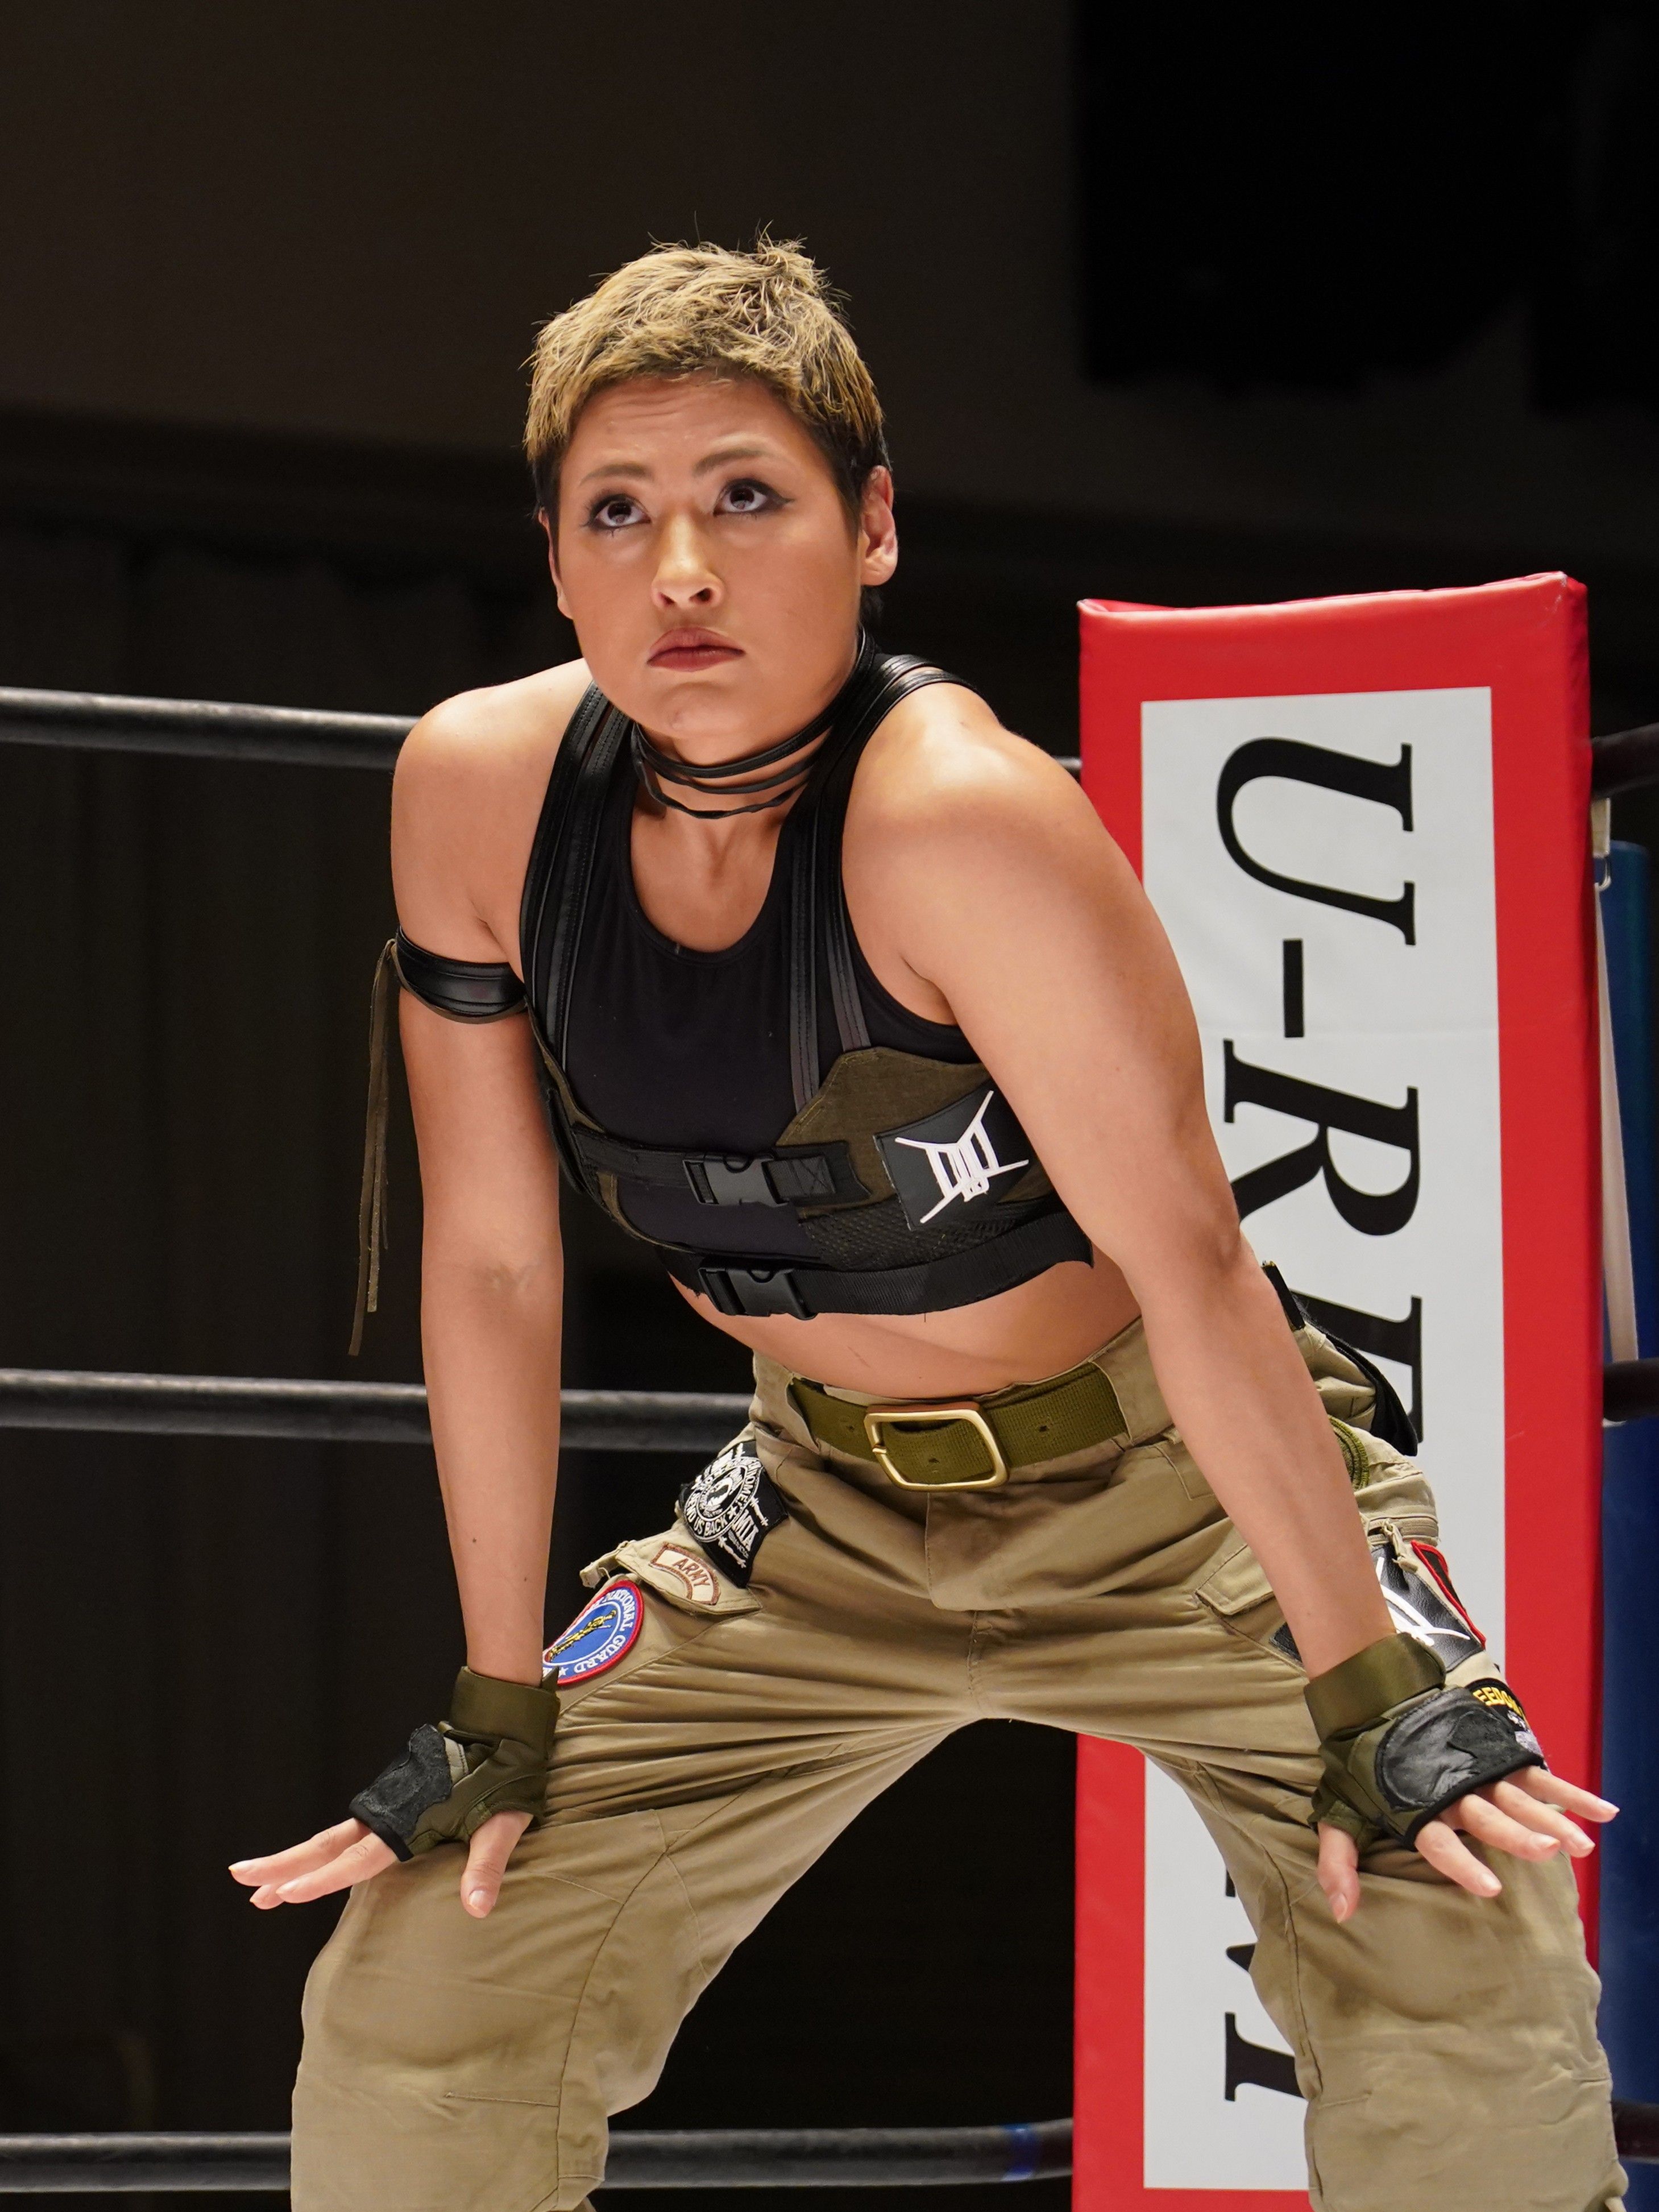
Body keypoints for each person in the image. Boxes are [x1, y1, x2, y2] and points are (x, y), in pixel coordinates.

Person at [231, 239, 1622, 2212]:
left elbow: (1198, 1270)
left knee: (1464, 1986)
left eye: (746, 497)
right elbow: (493, 1259)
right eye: (617, 513)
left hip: (1179, 1495)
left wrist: (1367, 1696)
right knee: (425, 1989)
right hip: (814, 1510)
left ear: (872, 527)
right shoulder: (477, 794)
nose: (680, 570)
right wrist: (496, 1695)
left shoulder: (960, 818)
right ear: (554, 562)